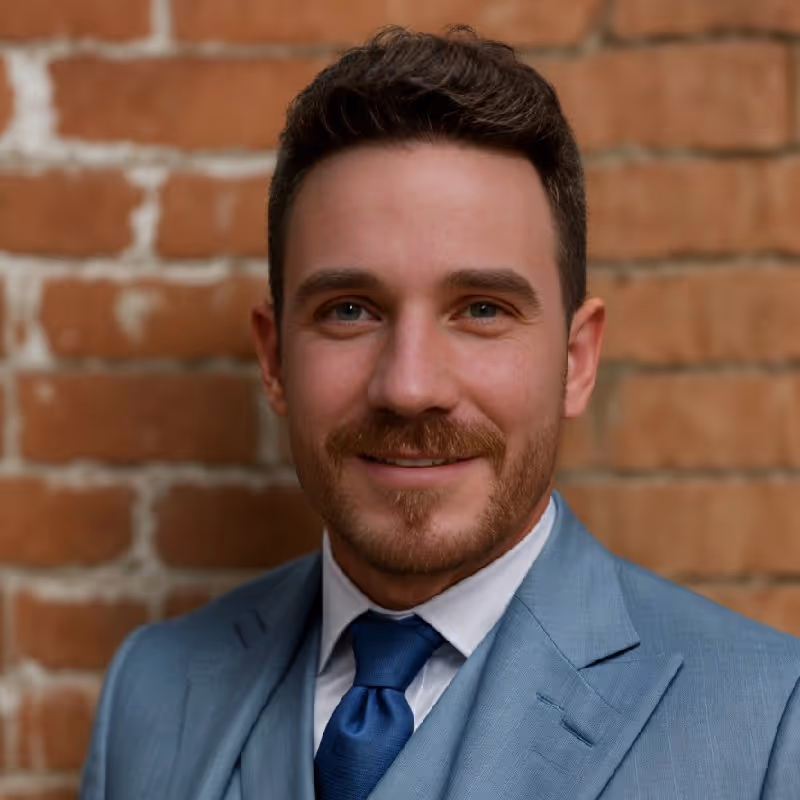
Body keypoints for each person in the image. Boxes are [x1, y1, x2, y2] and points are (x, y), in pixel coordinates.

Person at [80, 27, 800, 800]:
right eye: (350, 309)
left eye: (481, 309)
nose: (410, 386)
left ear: (576, 360)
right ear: (275, 358)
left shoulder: (767, 725)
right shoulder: (152, 689)